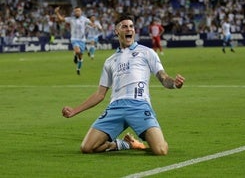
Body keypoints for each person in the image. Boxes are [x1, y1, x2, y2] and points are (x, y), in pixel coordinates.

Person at [61, 13, 185, 155]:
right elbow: (100, 94)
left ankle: (143, 140)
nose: (129, 29)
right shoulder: (110, 61)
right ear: (116, 31)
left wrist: (174, 84)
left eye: (131, 26)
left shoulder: (147, 53)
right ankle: (124, 144)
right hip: (115, 108)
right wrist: (74, 111)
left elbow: (163, 78)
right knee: (87, 148)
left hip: (139, 106)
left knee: (161, 150)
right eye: (124, 26)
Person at [54, 6, 92, 75]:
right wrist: (57, 12)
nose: (77, 12)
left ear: (81, 12)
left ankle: (78, 68)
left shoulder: (84, 19)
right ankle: (75, 54)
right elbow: (61, 19)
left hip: (82, 40)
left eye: (78, 11)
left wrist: (93, 25)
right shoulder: (71, 19)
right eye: (76, 11)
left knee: (80, 57)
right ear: (74, 12)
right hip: (74, 39)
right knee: (78, 51)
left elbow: (91, 23)